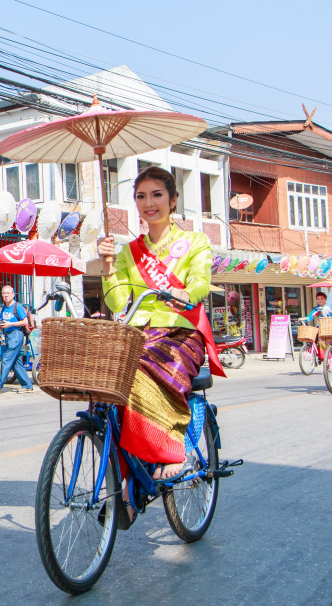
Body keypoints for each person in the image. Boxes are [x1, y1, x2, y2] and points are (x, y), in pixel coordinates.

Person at [96, 167, 225, 494]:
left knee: (138, 369)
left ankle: (170, 450)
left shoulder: (194, 241)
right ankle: (128, 474)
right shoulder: (127, 252)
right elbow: (117, 301)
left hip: (181, 332)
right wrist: (108, 267)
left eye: (156, 195)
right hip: (140, 333)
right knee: (106, 380)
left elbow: (200, 282)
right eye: (141, 196)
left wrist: (186, 293)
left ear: (173, 200)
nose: (148, 203)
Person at [0, 285, 34, 394]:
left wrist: (11, 324)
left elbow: (25, 322)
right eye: (3, 293)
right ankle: (27, 385)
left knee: (6, 360)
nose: (5, 295)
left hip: (16, 335)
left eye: (7, 293)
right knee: (16, 362)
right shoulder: (4, 307)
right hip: (7, 335)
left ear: (13, 294)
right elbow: (1, 319)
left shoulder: (18, 306)